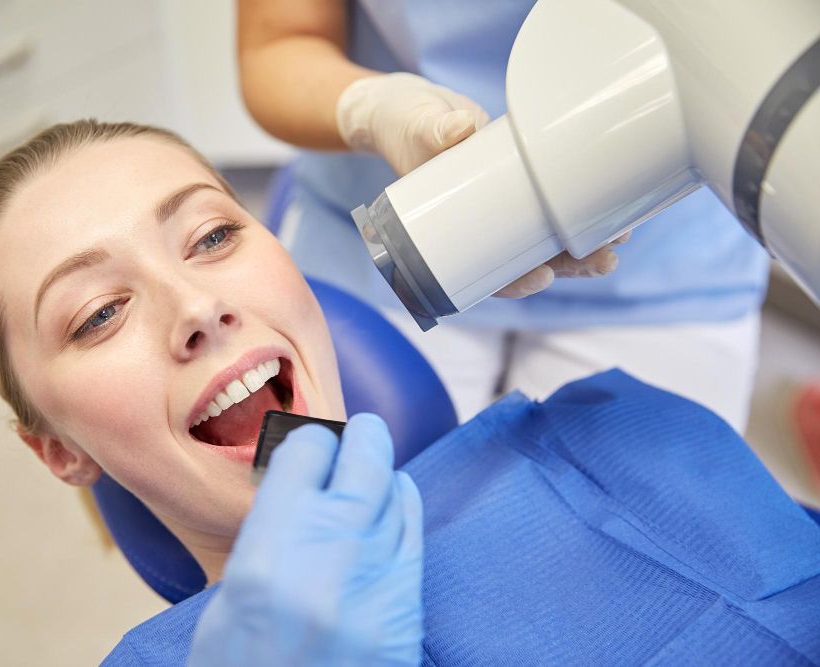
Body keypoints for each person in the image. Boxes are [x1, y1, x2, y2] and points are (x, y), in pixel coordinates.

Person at [0, 120, 818, 666]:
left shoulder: (611, 436)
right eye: (99, 314)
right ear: (57, 447)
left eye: (213, 234)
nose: (198, 308)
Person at [236, 0, 770, 430]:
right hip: (393, 230)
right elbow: (279, 41)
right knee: (334, 508)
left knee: (640, 547)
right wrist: (375, 110)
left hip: (671, 258)